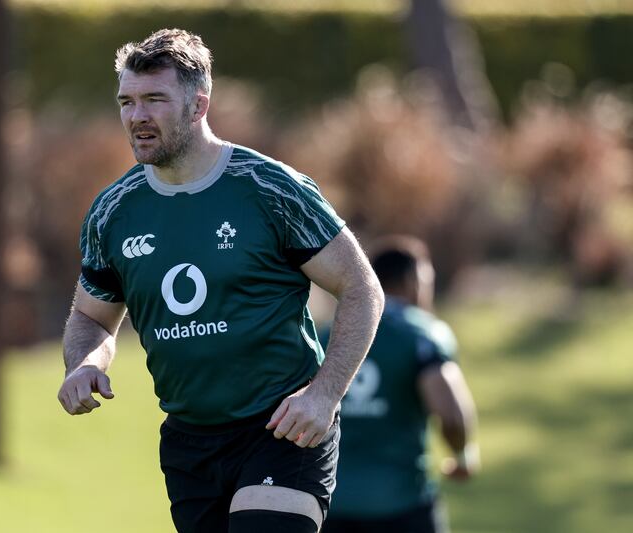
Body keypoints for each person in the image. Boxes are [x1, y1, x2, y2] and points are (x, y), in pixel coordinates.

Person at [56, 28, 385, 533]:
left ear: (198, 105)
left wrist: (324, 396)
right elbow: (91, 316)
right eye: (127, 101)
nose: (137, 116)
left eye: (154, 100)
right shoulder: (112, 212)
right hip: (190, 441)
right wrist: (82, 363)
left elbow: (362, 289)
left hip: (281, 427)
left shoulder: (271, 190)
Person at [323, 236, 480, 533]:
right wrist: (461, 455)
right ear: (413, 282)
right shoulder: (422, 333)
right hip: (402, 506)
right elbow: (450, 414)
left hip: (332, 505)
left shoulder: (325, 335)